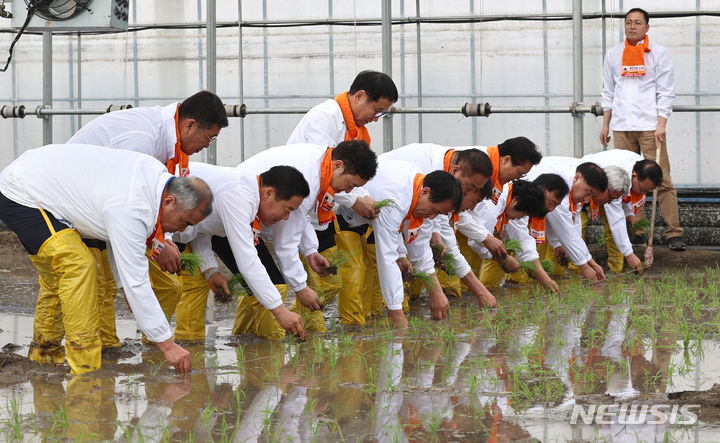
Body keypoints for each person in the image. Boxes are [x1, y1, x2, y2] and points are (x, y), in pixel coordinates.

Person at [0, 144, 213, 375]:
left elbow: (115, 237)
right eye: (186, 222)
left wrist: (127, 283)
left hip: (46, 183)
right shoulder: (134, 205)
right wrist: (168, 346)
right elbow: (137, 280)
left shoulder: (155, 181)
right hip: (23, 189)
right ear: (170, 201)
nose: (183, 230)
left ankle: (43, 357)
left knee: (63, 274)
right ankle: (85, 369)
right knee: (77, 265)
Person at [66, 90, 229, 348]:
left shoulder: (170, 145)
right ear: (190, 125)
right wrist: (131, 280)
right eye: (209, 138)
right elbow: (119, 210)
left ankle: (152, 340)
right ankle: (98, 351)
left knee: (167, 285)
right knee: (101, 282)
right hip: (78, 203)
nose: (207, 146)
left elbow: (155, 201)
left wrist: (163, 241)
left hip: (108, 208)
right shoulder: (142, 141)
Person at [233, 141, 378, 337]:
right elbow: (285, 244)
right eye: (350, 184)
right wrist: (301, 288)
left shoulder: (320, 165)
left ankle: (244, 337)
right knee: (274, 288)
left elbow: (301, 216)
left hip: (249, 213)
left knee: (264, 285)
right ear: (338, 165)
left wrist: (310, 250)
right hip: (239, 212)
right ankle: (268, 349)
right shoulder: (310, 176)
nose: (348, 192)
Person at [171, 164, 311, 342]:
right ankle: (157, 349)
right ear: (268, 193)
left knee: (188, 285)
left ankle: (183, 349)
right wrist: (280, 310)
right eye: (288, 209)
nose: (286, 217)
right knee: (167, 289)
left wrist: (210, 270)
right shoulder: (239, 196)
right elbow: (247, 260)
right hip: (156, 225)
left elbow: (202, 226)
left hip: (176, 231)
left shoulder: (243, 192)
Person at [339, 160, 462, 328]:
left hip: (365, 220)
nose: (432, 218)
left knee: (370, 281)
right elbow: (387, 259)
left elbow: (420, 249)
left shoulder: (418, 188)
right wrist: (400, 320)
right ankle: (349, 332)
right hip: (336, 213)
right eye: (435, 211)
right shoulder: (395, 199)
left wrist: (402, 255)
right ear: (426, 191)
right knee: (355, 273)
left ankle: (367, 329)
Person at [600, 7, 685, 251]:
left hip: (649, 127)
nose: (632, 26)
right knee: (624, 181)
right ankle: (635, 230)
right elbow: (608, 92)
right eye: (629, 22)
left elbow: (665, 91)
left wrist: (661, 124)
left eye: (638, 22)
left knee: (662, 179)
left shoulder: (658, 54)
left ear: (647, 27)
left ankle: (673, 232)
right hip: (622, 127)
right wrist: (606, 124)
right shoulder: (614, 54)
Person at [381, 143, 496, 307]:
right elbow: (418, 244)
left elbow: (434, 229)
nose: (470, 203)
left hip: (389, 220)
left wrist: (435, 234)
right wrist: (437, 291)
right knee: (378, 268)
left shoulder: (444, 181)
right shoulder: (429, 176)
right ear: (455, 170)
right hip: (361, 213)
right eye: (470, 188)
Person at [454, 137, 542, 287]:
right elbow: (459, 211)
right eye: (519, 173)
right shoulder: (479, 168)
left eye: (522, 176)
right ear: (506, 160)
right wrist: (503, 258)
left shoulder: (500, 186)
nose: (517, 178)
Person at [524, 158, 609, 282]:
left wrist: (591, 263)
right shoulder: (561, 188)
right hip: (519, 210)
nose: (587, 200)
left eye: (592, 196)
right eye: (588, 192)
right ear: (577, 178)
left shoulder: (574, 189)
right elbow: (566, 230)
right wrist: (584, 267)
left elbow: (573, 225)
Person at [582, 149, 664, 273]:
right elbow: (616, 219)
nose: (643, 194)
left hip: (602, 187)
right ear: (635, 176)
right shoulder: (618, 179)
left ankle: (616, 270)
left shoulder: (640, 167)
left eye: (647, 191)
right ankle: (573, 272)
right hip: (585, 182)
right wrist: (629, 254)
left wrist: (630, 214)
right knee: (578, 225)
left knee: (614, 229)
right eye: (643, 189)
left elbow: (627, 195)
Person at [465, 179, 549, 291]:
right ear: (515, 201)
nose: (520, 218)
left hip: (470, 232)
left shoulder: (513, 205)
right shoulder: (493, 204)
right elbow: (476, 239)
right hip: (459, 230)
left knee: (466, 285)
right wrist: (504, 258)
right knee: (455, 283)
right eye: (523, 214)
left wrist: (545, 279)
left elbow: (523, 241)